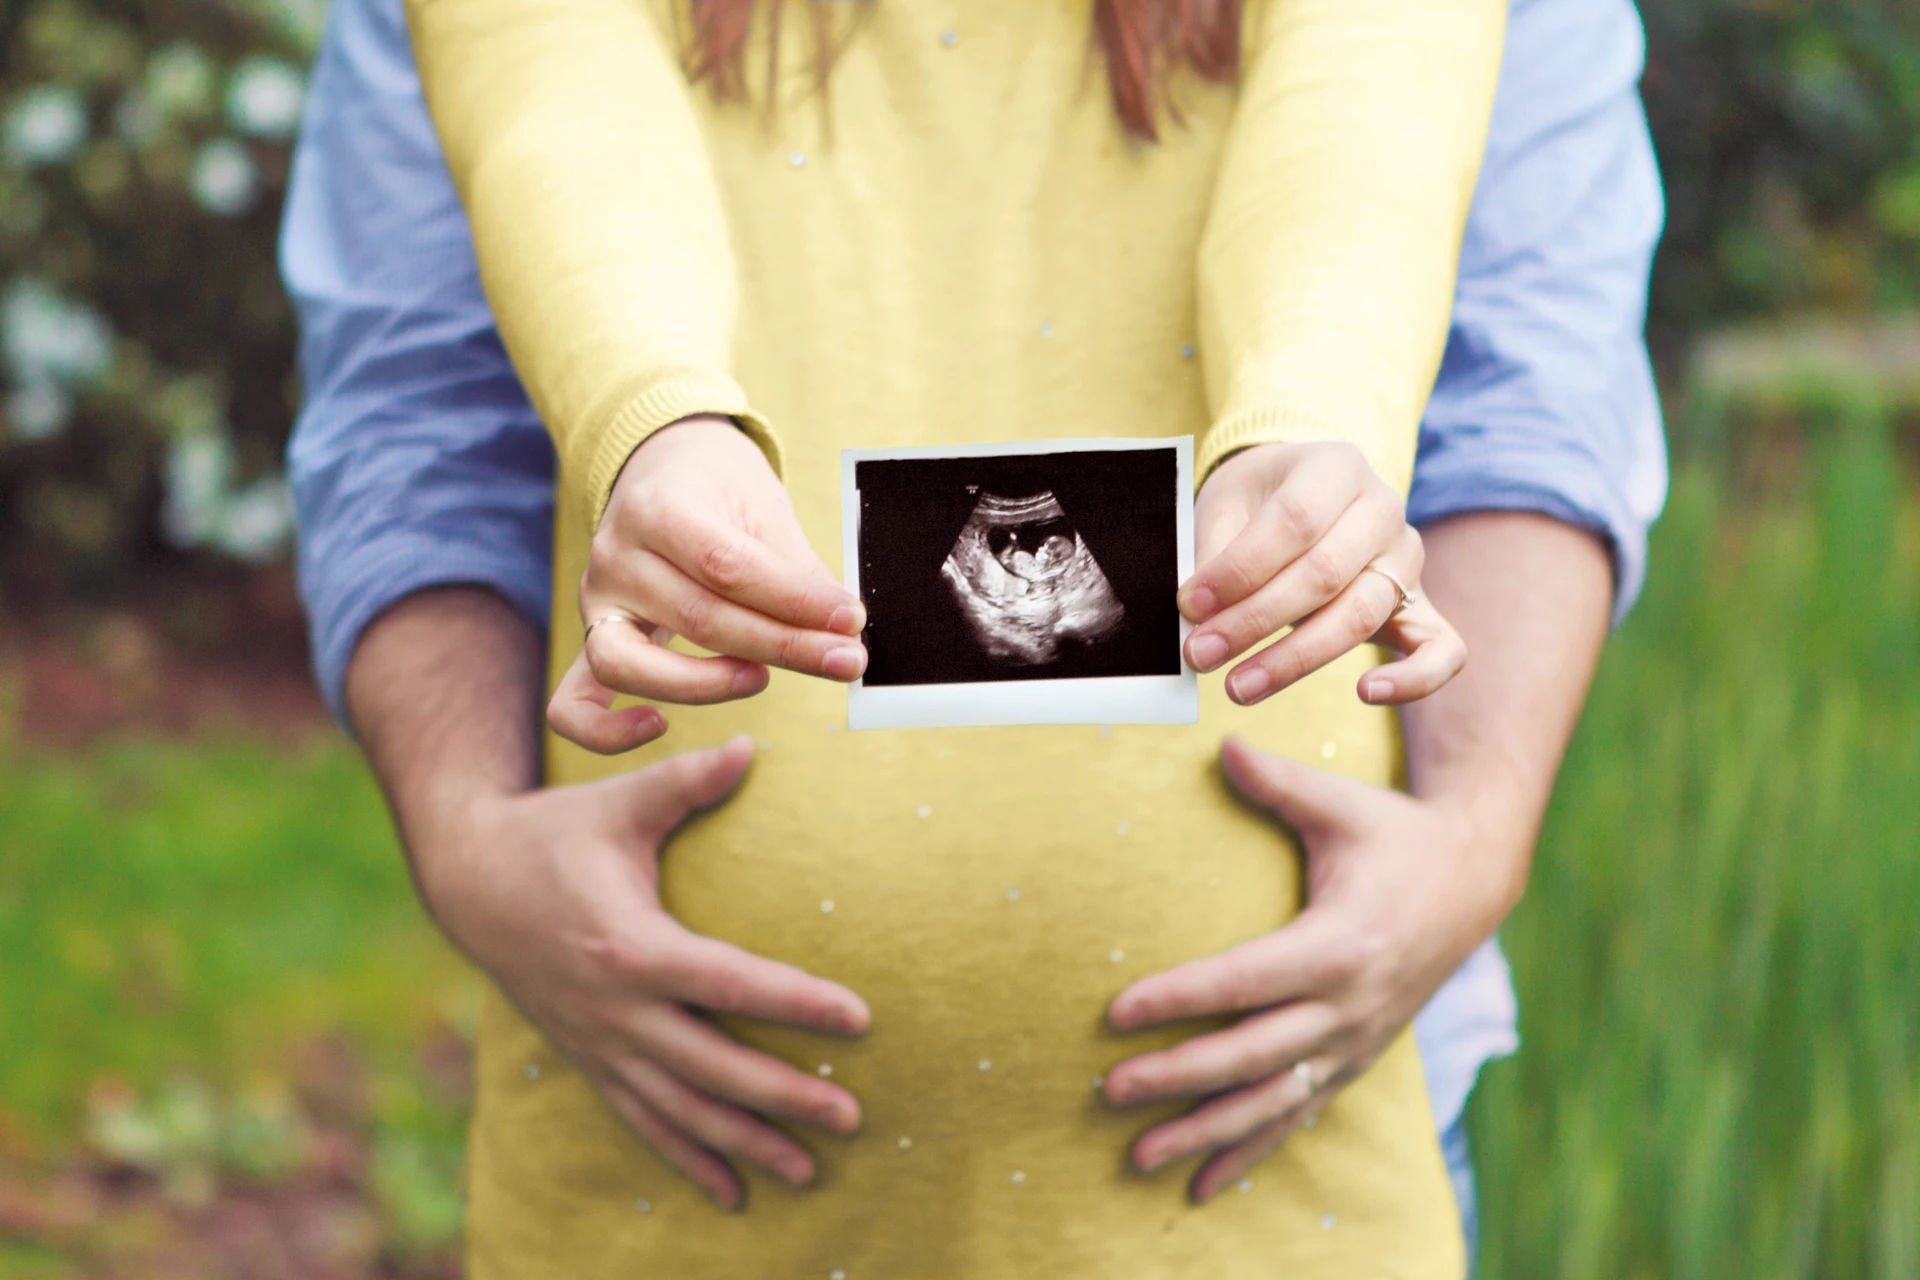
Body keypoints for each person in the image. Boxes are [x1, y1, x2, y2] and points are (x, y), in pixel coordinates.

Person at [283, 0, 1665, 1274]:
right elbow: (433, 383)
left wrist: (1474, 834)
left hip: (1280, 1205)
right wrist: (467, 827)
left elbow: (1509, 361)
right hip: (665, 1203)